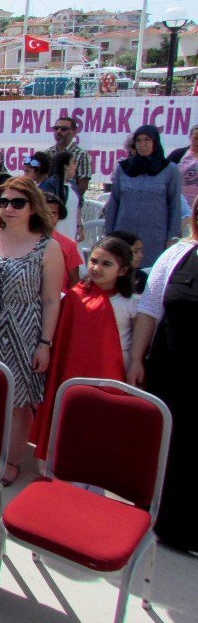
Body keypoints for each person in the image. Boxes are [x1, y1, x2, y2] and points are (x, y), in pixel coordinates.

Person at [0, 177, 63, 485]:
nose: (8, 208)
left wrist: (44, 343)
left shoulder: (48, 247)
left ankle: (12, 460)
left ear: (33, 207)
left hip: (24, 328)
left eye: (17, 203)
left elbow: (50, 300)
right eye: (3, 202)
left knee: (19, 400)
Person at [127, 198, 198, 553]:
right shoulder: (177, 255)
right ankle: (154, 517)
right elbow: (151, 308)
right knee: (165, 448)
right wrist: (137, 358)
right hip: (168, 371)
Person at [31, 236, 137, 460]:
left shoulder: (130, 303)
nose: (97, 268)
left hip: (112, 375)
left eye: (106, 264)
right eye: (94, 261)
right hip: (74, 370)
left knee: (102, 422)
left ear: (123, 270)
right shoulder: (75, 296)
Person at [104, 125, 183, 268]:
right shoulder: (123, 168)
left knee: (149, 277)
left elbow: (175, 206)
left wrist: (172, 239)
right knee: (121, 270)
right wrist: (109, 234)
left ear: (155, 142)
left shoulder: (169, 170)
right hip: (123, 233)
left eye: (147, 140)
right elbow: (114, 202)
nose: (142, 144)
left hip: (155, 237)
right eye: (138, 141)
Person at [42, 192, 84, 291]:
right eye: (44, 212)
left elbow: (74, 282)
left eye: (53, 213)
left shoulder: (68, 245)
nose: (49, 217)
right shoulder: (20, 240)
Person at [38, 151, 82, 241]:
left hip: (71, 232)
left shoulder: (72, 184)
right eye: (73, 163)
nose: (75, 166)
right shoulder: (50, 185)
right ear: (65, 166)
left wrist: (79, 226)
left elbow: (77, 207)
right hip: (56, 234)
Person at [46, 116, 91, 197]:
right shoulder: (48, 153)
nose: (58, 131)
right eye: (56, 128)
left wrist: (70, 200)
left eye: (63, 129)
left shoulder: (81, 154)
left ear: (73, 133)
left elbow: (83, 185)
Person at [168, 124, 198, 208]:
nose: (197, 142)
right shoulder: (178, 154)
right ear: (190, 137)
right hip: (179, 204)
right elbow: (164, 173)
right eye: (195, 138)